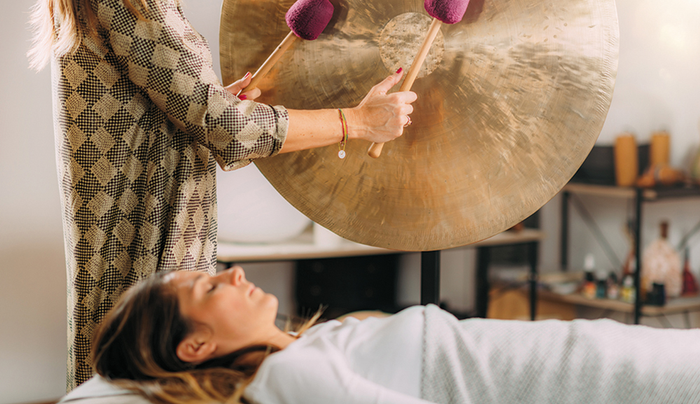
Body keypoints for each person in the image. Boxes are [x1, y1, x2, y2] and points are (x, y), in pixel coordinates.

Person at [28, 0, 417, 390]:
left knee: (121, 380)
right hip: (151, 237)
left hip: (121, 232)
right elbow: (227, 130)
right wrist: (357, 121)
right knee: (151, 381)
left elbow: (153, 112)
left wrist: (215, 102)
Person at [78, 266, 700, 404]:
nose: (233, 272)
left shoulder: (301, 352)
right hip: (566, 375)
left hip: (563, 350)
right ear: (196, 347)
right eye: (211, 288)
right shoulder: (290, 377)